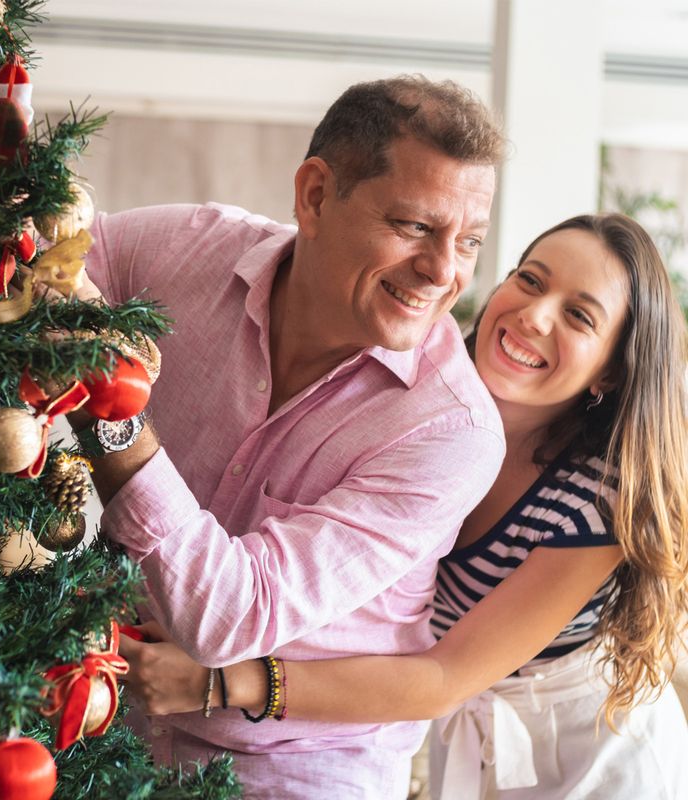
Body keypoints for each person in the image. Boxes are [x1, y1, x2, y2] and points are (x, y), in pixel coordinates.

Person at [122, 213, 688, 799]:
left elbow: (445, 676)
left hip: (583, 750)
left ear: (610, 372)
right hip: (452, 724)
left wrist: (223, 682)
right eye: (530, 280)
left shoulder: (597, 503)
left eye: (579, 316)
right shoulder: (425, 399)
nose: (535, 316)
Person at [66, 75, 507, 798]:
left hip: (295, 766)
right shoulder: (188, 251)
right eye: (415, 227)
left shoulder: (451, 430)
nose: (443, 271)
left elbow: (230, 616)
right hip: (104, 716)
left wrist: (108, 411)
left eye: (470, 242)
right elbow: (43, 262)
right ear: (315, 195)